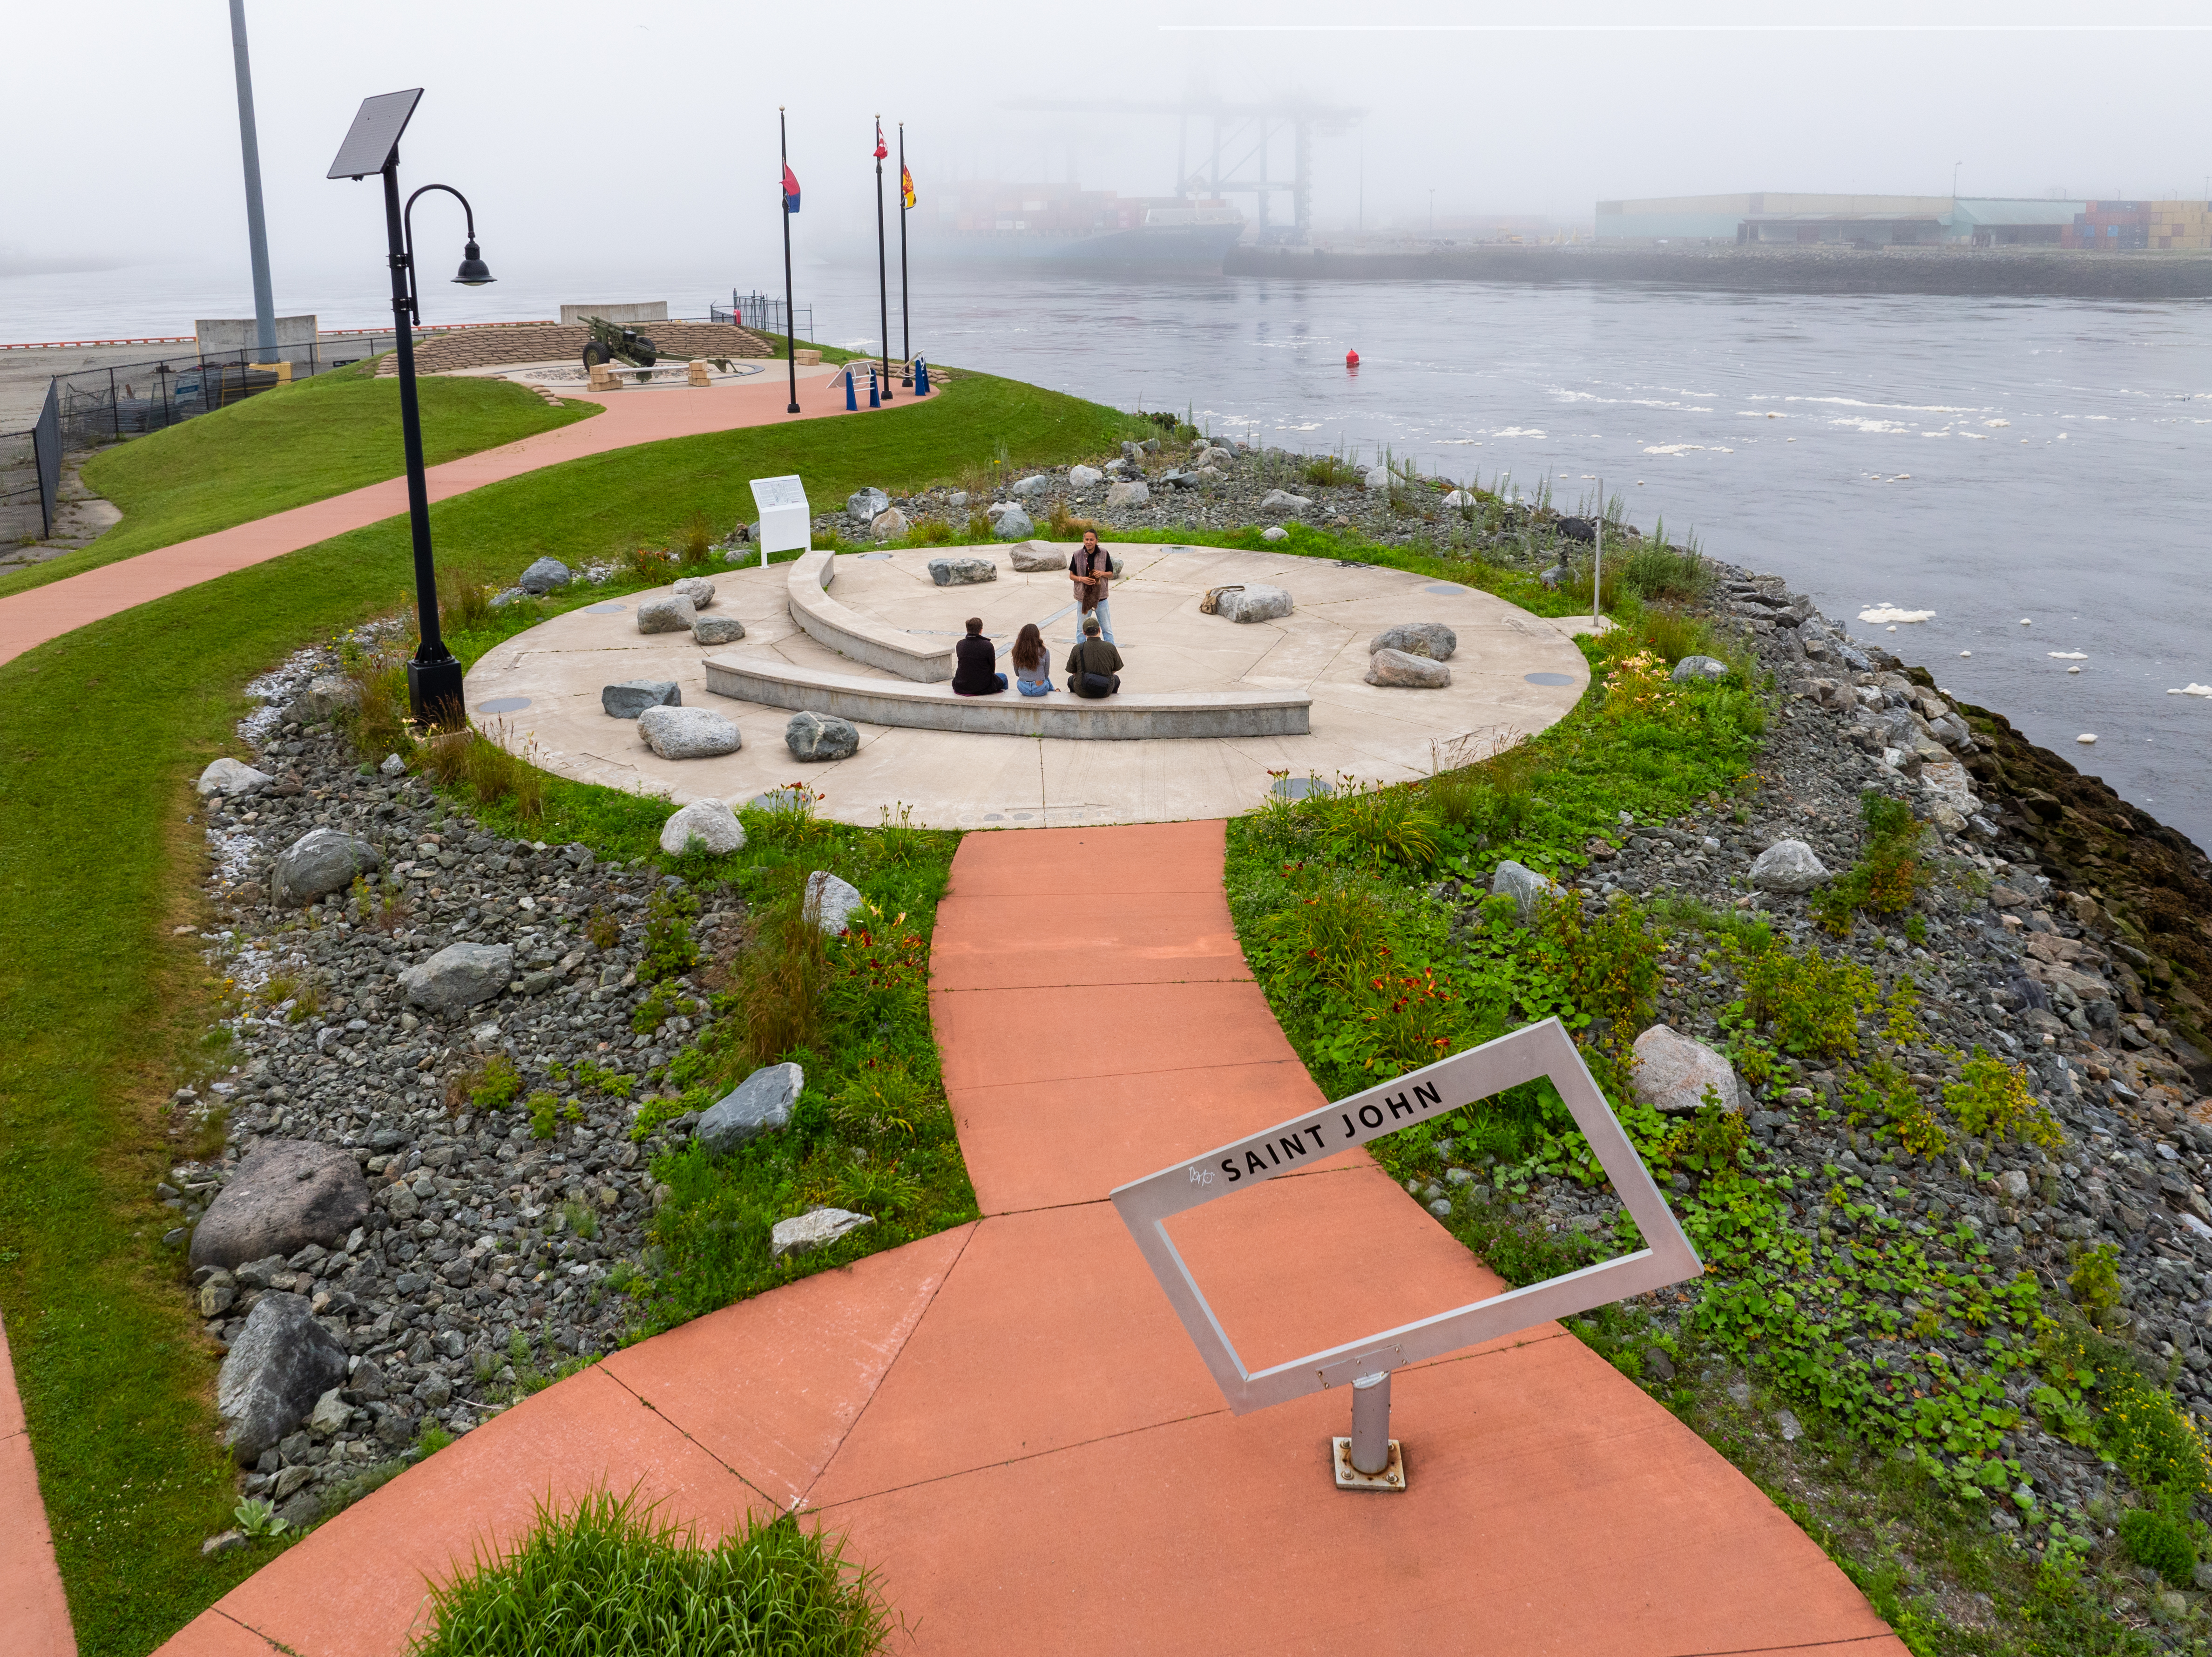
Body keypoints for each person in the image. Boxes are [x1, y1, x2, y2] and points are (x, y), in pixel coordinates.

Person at [1068, 529, 1116, 644]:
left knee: (1107, 630)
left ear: (1097, 541)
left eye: (1091, 540)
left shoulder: (1104, 553)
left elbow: (1111, 573)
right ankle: (1080, 655)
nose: (1089, 542)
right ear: (1084, 540)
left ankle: (1111, 655)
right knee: (1081, 630)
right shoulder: (1077, 555)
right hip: (1084, 599)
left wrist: (1102, 573)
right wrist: (1081, 579)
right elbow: (1071, 576)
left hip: (1101, 598)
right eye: (1086, 539)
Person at [1065, 615, 1123, 698]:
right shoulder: (1110, 647)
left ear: (1084, 632)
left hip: (1083, 691)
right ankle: (1111, 702)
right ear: (1099, 630)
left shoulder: (1078, 648)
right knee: (1116, 679)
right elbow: (1116, 668)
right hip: (1105, 690)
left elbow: (1072, 671)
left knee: (1071, 680)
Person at [951, 616, 1006, 695]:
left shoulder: (960, 644)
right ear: (981, 631)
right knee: (1003, 677)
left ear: (967, 630)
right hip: (982, 687)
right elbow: (992, 668)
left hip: (962, 685)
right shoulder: (988, 646)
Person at [1010, 622, 1053, 696]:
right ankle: (1054, 691)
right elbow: (1046, 675)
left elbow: (1017, 673)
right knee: (1046, 680)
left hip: (1023, 688)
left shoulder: (1017, 651)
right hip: (1040, 689)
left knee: (1021, 681)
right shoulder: (1045, 652)